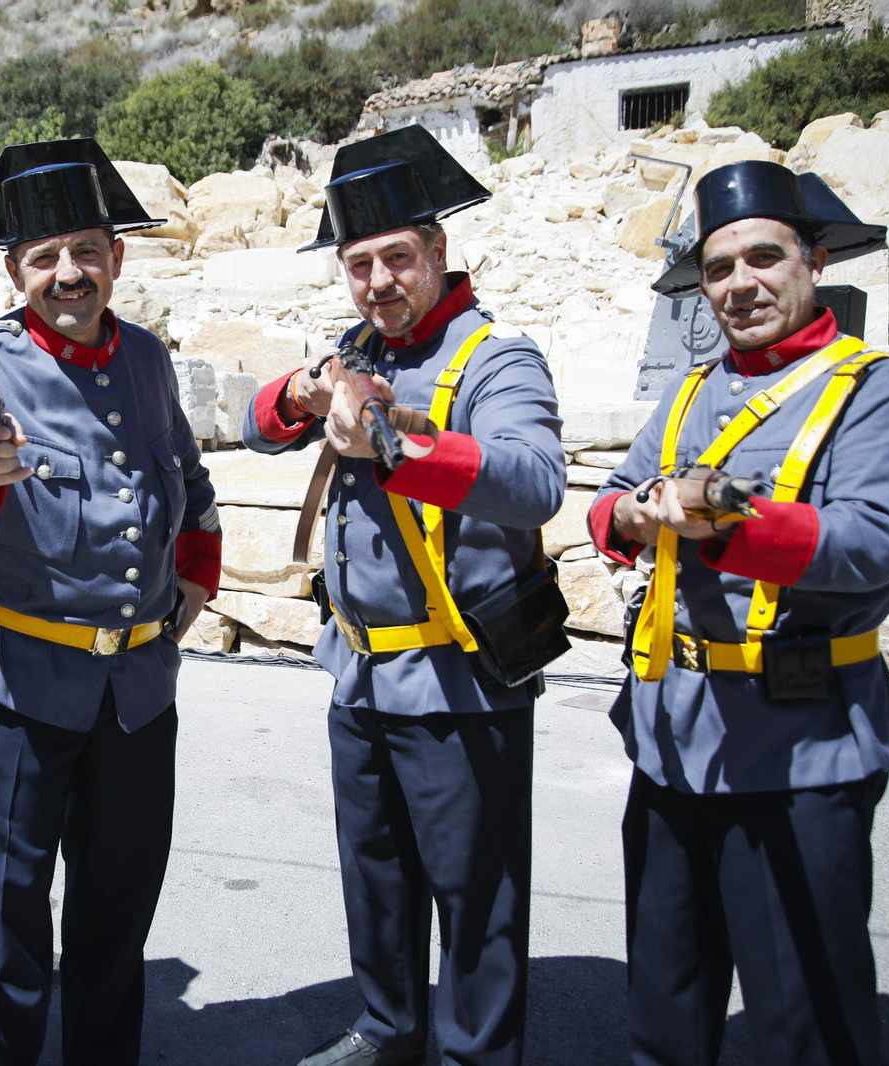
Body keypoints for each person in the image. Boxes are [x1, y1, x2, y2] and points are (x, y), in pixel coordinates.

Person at [589, 160, 889, 1066]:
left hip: (800, 746)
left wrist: (724, 522)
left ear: (815, 261)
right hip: (672, 740)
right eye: (718, 269)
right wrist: (631, 513)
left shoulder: (873, 390)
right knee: (665, 998)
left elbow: (871, 540)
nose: (740, 285)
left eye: (764, 258)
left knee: (801, 1017)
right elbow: (613, 498)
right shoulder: (693, 390)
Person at [242, 126, 567, 1066]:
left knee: (476, 898)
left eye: (396, 259)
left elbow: (534, 481)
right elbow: (261, 424)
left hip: (461, 678)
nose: (378, 283)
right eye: (358, 266)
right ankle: (388, 1031)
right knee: (376, 879)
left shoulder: (498, 357)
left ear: (437, 250)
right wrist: (305, 393)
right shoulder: (352, 348)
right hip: (360, 674)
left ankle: (475, 1053)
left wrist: (393, 442)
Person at [0, 138, 222, 1066]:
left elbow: (188, 478)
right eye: (44, 257)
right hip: (19, 689)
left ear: (117, 257)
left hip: (138, 695)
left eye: (85, 251)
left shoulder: (148, 358)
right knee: (4, 922)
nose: (67, 273)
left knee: (117, 915)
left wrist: (196, 572)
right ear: (15, 272)